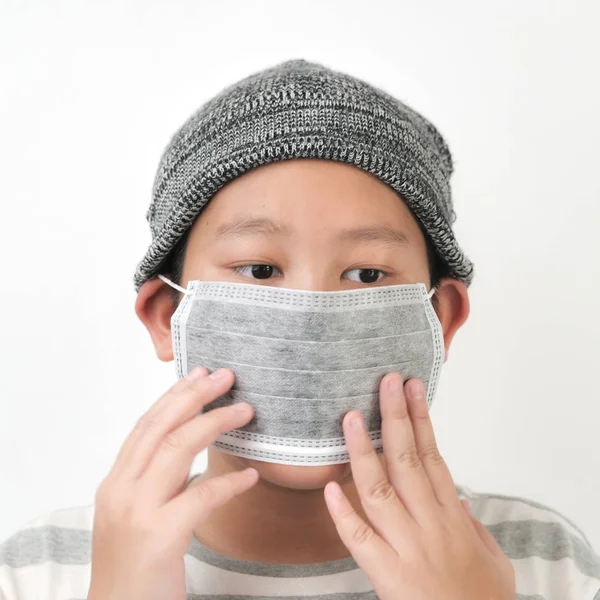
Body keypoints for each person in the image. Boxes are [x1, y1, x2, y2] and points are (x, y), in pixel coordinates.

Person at [1, 58, 598, 600]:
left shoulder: (541, 561)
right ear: (166, 315)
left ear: (438, 319)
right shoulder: (41, 571)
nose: (311, 314)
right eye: (260, 269)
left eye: (366, 274)